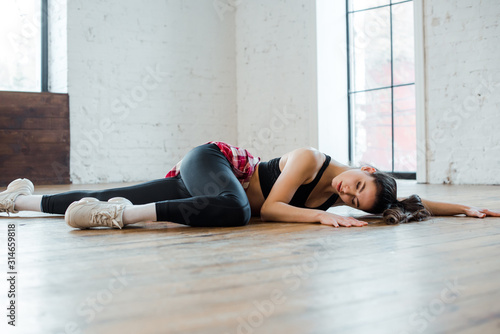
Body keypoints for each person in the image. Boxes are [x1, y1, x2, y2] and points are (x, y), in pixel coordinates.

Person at [1, 141, 499, 229]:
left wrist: (469, 208)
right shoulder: (309, 159)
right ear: (365, 167)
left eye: (353, 203)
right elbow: (273, 209)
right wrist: (323, 215)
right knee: (238, 210)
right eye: (353, 188)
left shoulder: (364, 193)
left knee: (133, 189)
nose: (346, 196)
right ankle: (117, 219)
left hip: (212, 194)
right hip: (211, 161)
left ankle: (17, 200)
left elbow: (412, 200)